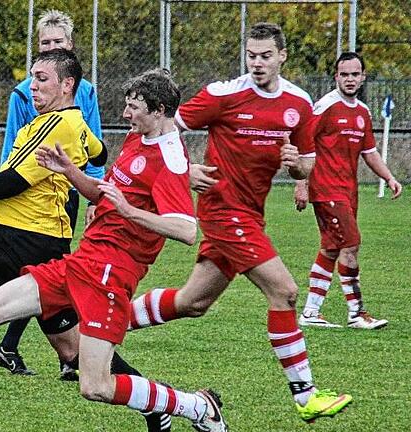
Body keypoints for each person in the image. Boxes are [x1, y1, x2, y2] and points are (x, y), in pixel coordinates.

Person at [0, 68, 228, 432]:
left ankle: (196, 406)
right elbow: (104, 192)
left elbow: (186, 229)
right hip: (80, 262)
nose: (125, 114)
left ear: (158, 111)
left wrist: (130, 211)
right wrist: (69, 171)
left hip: (110, 276)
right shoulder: (137, 139)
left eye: (134, 107)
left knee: (95, 385)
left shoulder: (171, 159)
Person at [124, 22, 352, 423]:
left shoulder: (298, 103)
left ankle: (109, 320)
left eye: (266, 55)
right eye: (251, 55)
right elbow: (165, 129)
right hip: (222, 210)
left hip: (252, 214)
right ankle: (306, 396)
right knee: (284, 291)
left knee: (192, 302)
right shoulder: (223, 94)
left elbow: (307, 164)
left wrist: (296, 167)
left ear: (282, 56)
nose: (258, 63)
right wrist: (185, 170)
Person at [0, 8, 105, 380]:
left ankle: (16, 346)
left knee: (51, 270)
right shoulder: (22, 93)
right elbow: (12, 142)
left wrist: (94, 196)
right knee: (48, 270)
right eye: (45, 43)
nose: (52, 46)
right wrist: (4, 186)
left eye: (58, 42)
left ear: (70, 48)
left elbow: (93, 145)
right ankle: (63, 354)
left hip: (67, 188)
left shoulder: (85, 92)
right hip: (30, 190)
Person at [295, 52, 402, 330]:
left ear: (363, 77)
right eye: (345, 74)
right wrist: (301, 183)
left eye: (355, 74)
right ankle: (357, 313)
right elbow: (303, 142)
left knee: (331, 249)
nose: (350, 79)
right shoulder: (325, 106)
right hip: (326, 188)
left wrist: (389, 177)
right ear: (336, 77)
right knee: (351, 245)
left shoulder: (363, 111)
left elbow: (370, 152)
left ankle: (310, 312)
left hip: (348, 190)